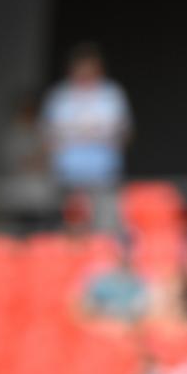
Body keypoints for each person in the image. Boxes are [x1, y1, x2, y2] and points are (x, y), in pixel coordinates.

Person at [39, 43, 132, 233]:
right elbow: (48, 135)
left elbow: (123, 132)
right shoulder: (60, 97)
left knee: (106, 228)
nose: (85, 72)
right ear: (72, 69)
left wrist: (78, 133)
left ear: (98, 68)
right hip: (67, 176)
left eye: (90, 67)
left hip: (104, 174)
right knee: (72, 229)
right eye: (81, 67)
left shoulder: (111, 95)